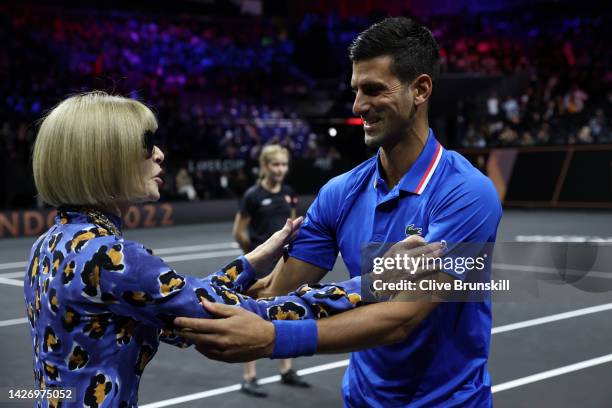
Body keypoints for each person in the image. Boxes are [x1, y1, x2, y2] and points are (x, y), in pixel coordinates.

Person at [174, 17, 502, 407]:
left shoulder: (467, 193)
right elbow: (277, 291)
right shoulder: (340, 192)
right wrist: (212, 295)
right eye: (356, 90)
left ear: (421, 89)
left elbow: (403, 317)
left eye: (374, 89)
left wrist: (273, 339)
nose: (358, 105)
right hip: (361, 399)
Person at [24, 91, 375, 408]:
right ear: (104, 159)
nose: (160, 155)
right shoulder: (110, 258)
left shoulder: (48, 244)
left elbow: (174, 301)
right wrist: (377, 282)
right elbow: (221, 313)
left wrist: (252, 261)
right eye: (146, 144)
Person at [233, 144, 309, 396]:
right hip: (259, 266)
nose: (280, 169)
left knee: (285, 311)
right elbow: (239, 231)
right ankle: (249, 376)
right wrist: (256, 254)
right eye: (275, 164)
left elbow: (291, 226)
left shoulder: (288, 193)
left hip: (283, 264)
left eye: (284, 164)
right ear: (265, 166)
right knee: (252, 316)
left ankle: (286, 370)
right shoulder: (253, 196)